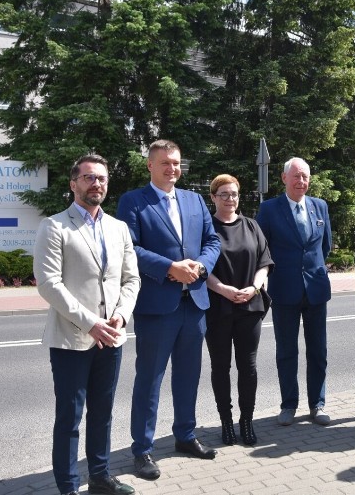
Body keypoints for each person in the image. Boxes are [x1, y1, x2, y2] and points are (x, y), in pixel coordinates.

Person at [33, 154, 140, 495]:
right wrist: (91, 323)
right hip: (72, 338)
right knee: (70, 417)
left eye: (102, 179)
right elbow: (49, 283)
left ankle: (100, 476)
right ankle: (67, 486)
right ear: (73, 183)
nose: (97, 184)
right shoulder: (54, 226)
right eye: (90, 178)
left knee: (103, 413)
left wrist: (120, 316)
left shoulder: (118, 227)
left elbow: (131, 279)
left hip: (112, 336)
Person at [116, 139, 221, 481]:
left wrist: (201, 267)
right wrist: (170, 267)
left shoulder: (193, 199)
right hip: (158, 305)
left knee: (189, 375)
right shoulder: (134, 201)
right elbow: (128, 248)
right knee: (150, 378)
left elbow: (212, 240)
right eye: (165, 163)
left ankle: (185, 436)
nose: (172, 169)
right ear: (150, 165)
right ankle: (142, 449)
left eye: (176, 163)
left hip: (194, 301)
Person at [256, 157, 333, 426]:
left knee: (318, 351)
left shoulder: (320, 206)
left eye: (305, 177)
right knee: (287, 351)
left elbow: (325, 247)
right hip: (284, 289)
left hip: (316, 290)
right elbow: (262, 250)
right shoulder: (268, 209)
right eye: (297, 176)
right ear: (284, 178)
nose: (301, 182)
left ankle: (318, 404)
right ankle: (288, 404)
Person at [205, 174, 273, 446]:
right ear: (213, 197)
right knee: (220, 367)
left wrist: (254, 288)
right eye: (223, 194)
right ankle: (226, 422)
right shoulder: (206, 227)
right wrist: (223, 289)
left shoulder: (252, 225)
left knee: (249, 367)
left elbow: (265, 263)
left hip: (249, 306)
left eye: (233, 194)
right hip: (217, 306)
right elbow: (200, 268)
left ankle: (246, 421)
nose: (230, 199)